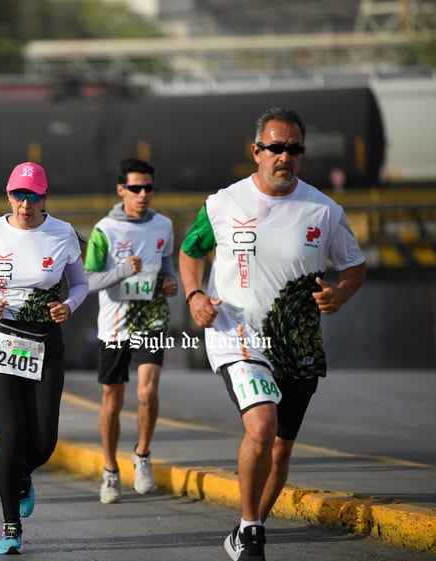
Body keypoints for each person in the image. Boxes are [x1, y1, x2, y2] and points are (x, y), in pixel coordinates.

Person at [178, 107, 366, 561]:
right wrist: (195, 296)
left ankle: (248, 529)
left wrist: (339, 295)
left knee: (280, 452)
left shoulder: (324, 209)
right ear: (256, 151)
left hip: (297, 344)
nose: (286, 157)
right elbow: (190, 251)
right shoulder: (223, 204)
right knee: (260, 426)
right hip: (236, 334)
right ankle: (252, 531)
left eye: (295, 149)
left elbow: (354, 265)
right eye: (277, 148)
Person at [0, 161, 89, 555]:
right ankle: (11, 528)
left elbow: (81, 283)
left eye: (33, 197)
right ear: (9, 195)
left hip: (45, 344)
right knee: (12, 436)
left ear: (44, 198)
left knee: (43, 443)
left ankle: (22, 476)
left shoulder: (64, 233)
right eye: (19, 195)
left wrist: (69, 305)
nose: (25, 204)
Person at [83, 158, 178, 504]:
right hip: (115, 324)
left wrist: (170, 282)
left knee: (147, 392)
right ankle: (110, 470)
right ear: (121, 189)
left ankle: (142, 454)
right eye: (136, 188)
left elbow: (166, 263)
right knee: (114, 399)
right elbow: (90, 280)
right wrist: (122, 270)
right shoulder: (104, 230)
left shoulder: (163, 225)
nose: (143, 195)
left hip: (151, 317)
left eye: (149, 188)